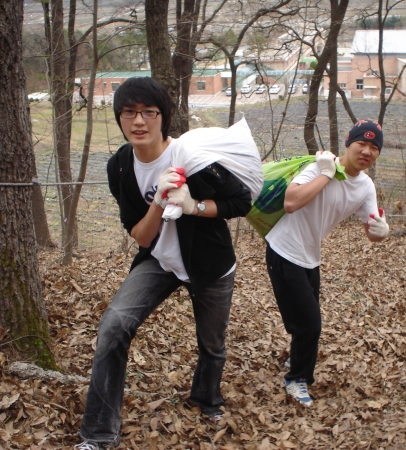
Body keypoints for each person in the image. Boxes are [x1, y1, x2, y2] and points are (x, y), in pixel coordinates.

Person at [75, 77, 252, 450]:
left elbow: (241, 202)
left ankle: (206, 398)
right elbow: (141, 236)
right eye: (129, 113)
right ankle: (99, 434)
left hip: (210, 263)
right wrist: (158, 200)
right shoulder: (120, 167)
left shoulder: (191, 158)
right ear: (119, 118)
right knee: (113, 326)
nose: (139, 121)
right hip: (159, 259)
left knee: (212, 342)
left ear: (163, 117)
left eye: (148, 112)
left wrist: (194, 206)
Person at [265, 119, 390, 407]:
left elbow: (372, 232)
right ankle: (297, 379)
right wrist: (326, 174)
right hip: (284, 249)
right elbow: (291, 202)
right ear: (348, 143)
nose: (367, 151)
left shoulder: (365, 186)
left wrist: (382, 231)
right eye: (361, 144)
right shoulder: (321, 166)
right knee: (310, 323)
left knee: (304, 320)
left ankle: (297, 358)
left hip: (311, 256)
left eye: (374, 147)